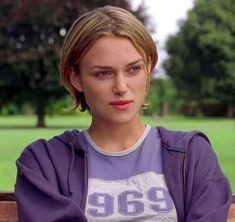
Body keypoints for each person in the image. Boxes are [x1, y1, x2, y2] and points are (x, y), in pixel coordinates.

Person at [15, 5, 232, 222]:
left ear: (148, 68)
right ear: (76, 78)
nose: (121, 87)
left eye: (133, 69)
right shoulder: (43, 163)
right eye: (103, 73)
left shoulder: (192, 155)